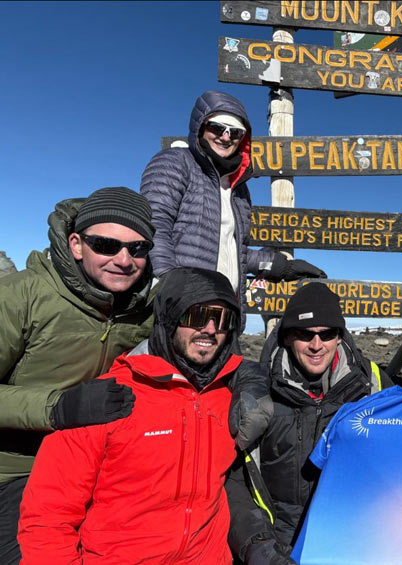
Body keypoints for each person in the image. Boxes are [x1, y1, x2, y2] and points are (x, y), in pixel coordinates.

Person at [18, 267, 249, 563]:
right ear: (169, 316)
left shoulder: (229, 396)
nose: (210, 328)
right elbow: (48, 517)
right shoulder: (104, 399)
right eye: (197, 316)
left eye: (224, 319)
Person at [0, 187, 155, 563]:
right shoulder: (21, 295)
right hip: (17, 470)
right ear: (76, 244)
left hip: (97, 468)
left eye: (137, 249)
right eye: (106, 244)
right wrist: (57, 408)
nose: (123, 260)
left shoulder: (143, 308)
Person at [226, 282, 391, 564]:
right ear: (288, 337)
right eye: (305, 334)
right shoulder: (257, 392)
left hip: (349, 544)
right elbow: (232, 480)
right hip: (278, 549)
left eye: (326, 334)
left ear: (339, 337)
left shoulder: (371, 386)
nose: (317, 345)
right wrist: (259, 548)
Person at [140, 90, 325, 321]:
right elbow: (152, 228)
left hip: (225, 314)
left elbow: (233, 252)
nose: (226, 137)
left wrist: (283, 267)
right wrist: (169, 288)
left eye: (235, 132)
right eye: (217, 128)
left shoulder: (237, 188)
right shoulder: (176, 162)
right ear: (200, 126)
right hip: (178, 310)